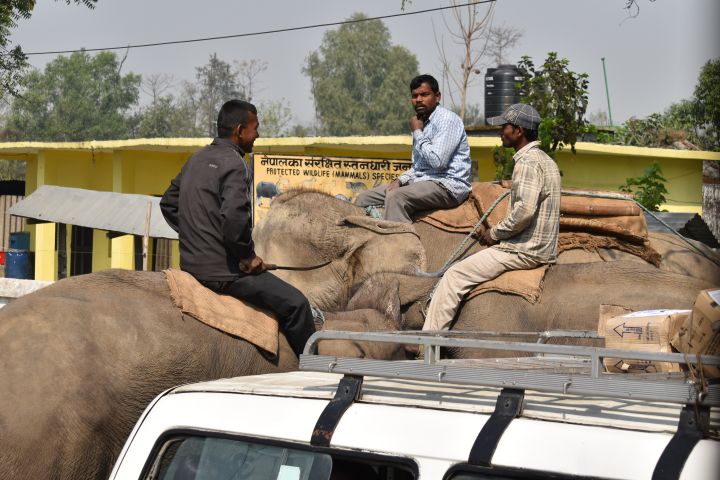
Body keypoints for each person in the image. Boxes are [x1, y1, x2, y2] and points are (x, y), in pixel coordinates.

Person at [160, 99, 315, 356]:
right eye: (255, 128)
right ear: (240, 130)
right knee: (297, 304)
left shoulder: (196, 159)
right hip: (224, 274)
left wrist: (197, 235)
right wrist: (247, 257)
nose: (258, 135)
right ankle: (315, 373)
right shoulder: (235, 164)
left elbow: (168, 204)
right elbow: (234, 219)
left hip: (190, 266)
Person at [422, 103, 561, 331]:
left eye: (505, 126)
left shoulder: (527, 163)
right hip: (542, 248)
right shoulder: (547, 161)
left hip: (523, 250)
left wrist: (494, 233)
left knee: (454, 276)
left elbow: (523, 212)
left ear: (519, 131)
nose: (500, 131)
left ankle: (427, 345)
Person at [355, 74, 471, 223]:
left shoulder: (447, 120)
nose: (419, 99)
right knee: (363, 199)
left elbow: (438, 162)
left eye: (424, 94)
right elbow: (419, 167)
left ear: (437, 97)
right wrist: (400, 180)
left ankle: (401, 244)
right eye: (414, 96)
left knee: (396, 197)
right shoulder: (422, 122)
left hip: (447, 185)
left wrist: (417, 132)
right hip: (423, 181)